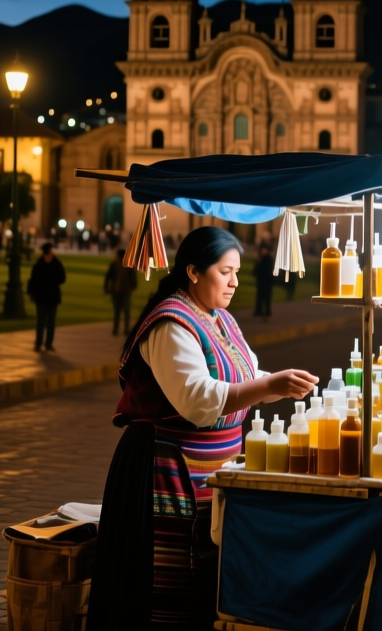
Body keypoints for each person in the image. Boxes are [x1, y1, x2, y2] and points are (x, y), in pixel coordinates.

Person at [88, 226, 318, 630]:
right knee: (168, 579)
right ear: (193, 272)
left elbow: (243, 374)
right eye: (225, 272)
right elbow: (196, 399)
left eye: (237, 272)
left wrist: (278, 386)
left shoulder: (220, 319)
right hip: (163, 470)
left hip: (210, 470)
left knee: (205, 573)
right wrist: (269, 385)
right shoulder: (170, 324)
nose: (234, 282)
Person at [26, 242, 66, 352]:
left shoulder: (53, 263)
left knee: (49, 322)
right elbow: (33, 280)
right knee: (42, 321)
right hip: (43, 296)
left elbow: (62, 278)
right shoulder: (41, 264)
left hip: (50, 297)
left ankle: (47, 343)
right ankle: (40, 343)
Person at [104, 248, 139, 335]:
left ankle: (125, 329)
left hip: (125, 291)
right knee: (117, 312)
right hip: (116, 291)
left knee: (125, 311)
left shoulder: (129, 266)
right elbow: (108, 276)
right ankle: (116, 329)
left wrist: (133, 287)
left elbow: (133, 278)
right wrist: (106, 287)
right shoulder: (114, 264)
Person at [253, 244, 274, 319]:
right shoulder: (260, 258)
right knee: (259, 297)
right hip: (261, 281)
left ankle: (267, 312)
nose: (262, 251)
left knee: (267, 297)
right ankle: (259, 311)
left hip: (267, 281)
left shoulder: (268, 259)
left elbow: (268, 270)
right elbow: (256, 269)